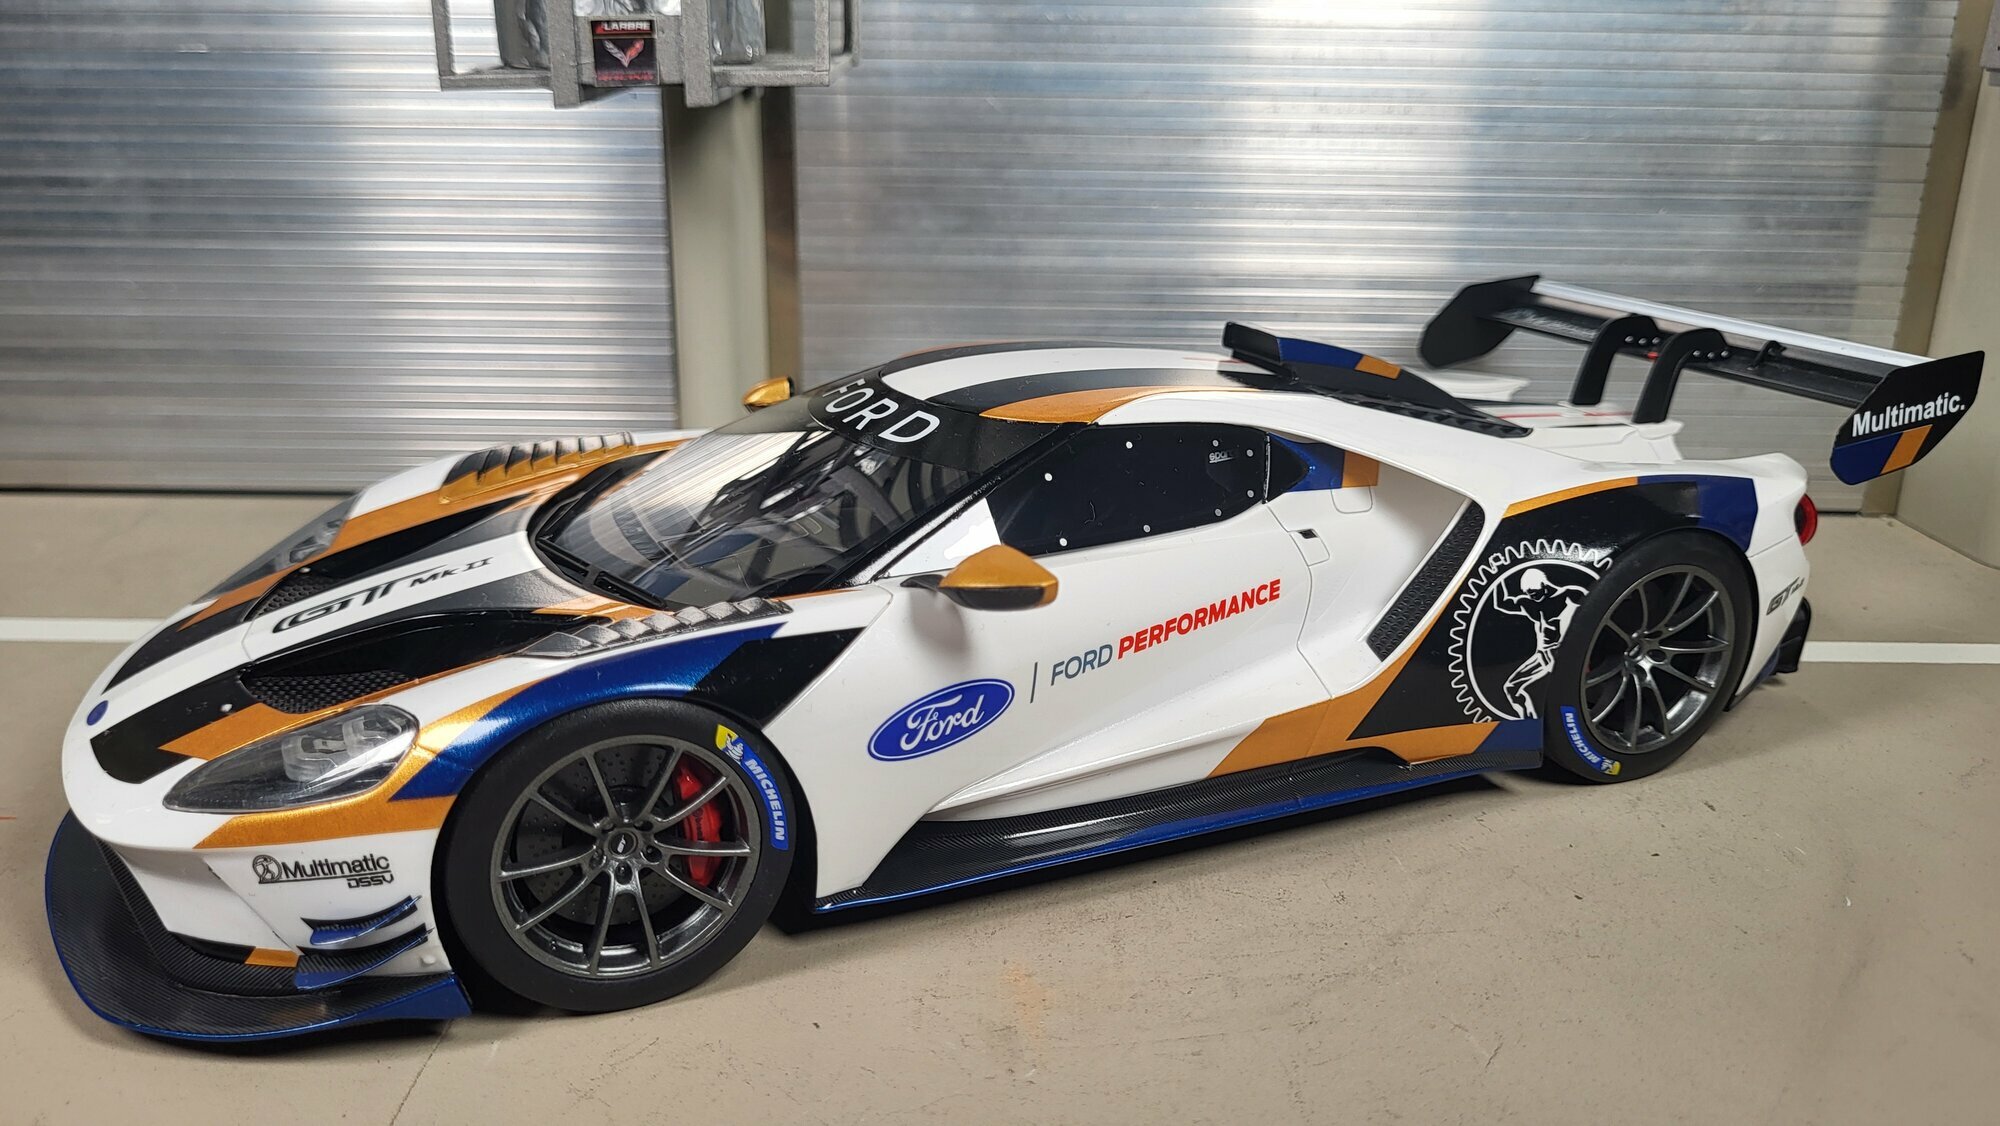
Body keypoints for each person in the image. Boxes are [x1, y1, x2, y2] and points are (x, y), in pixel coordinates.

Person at [1492, 566, 1591, 718]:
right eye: (1528, 594)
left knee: (1566, 695)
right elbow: (1501, 603)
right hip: (1542, 655)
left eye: (1534, 593)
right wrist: (1498, 575)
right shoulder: (1529, 603)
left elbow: (1594, 611)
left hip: (1564, 653)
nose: (1532, 597)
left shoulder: (1570, 595)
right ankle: (1529, 722)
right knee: (1511, 687)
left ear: (1544, 585)